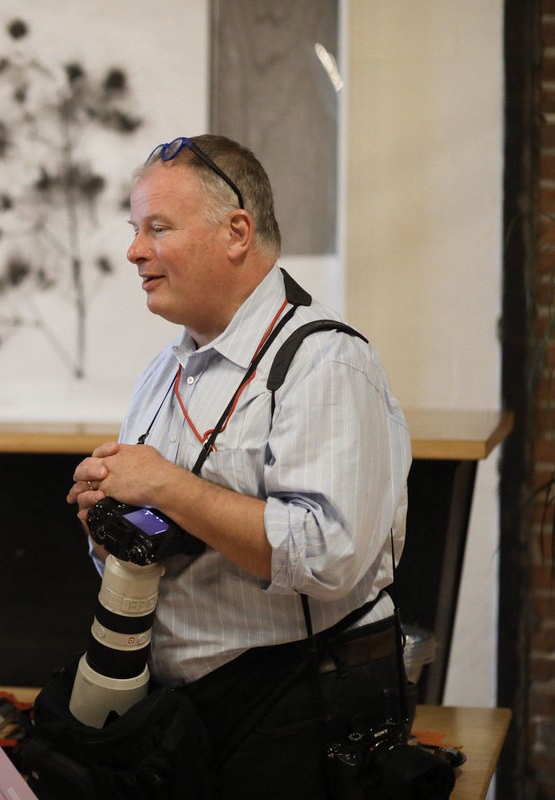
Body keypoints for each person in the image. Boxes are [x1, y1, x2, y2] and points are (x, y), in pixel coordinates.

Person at [67, 135, 411, 798]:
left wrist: (165, 483)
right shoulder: (164, 371)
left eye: (157, 228)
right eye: (135, 229)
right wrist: (104, 520)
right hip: (186, 719)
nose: (135, 251)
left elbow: (330, 557)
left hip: (294, 716)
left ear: (236, 232)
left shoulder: (325, 363)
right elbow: (158, 541)